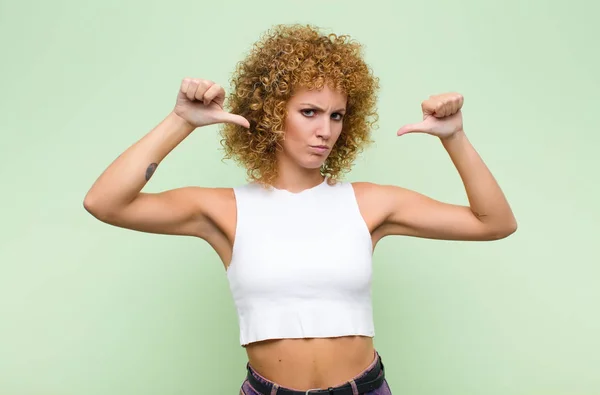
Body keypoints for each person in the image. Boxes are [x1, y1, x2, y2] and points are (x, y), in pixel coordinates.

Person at [83, 24, 517, 395]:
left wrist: (454, 137)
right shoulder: (224, 209)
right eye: (309, 111)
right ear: (272, 113)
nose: (324, 130)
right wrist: (180, 120)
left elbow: (495, 223)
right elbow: (104, 202)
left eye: (336, 115)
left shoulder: (368, 203)